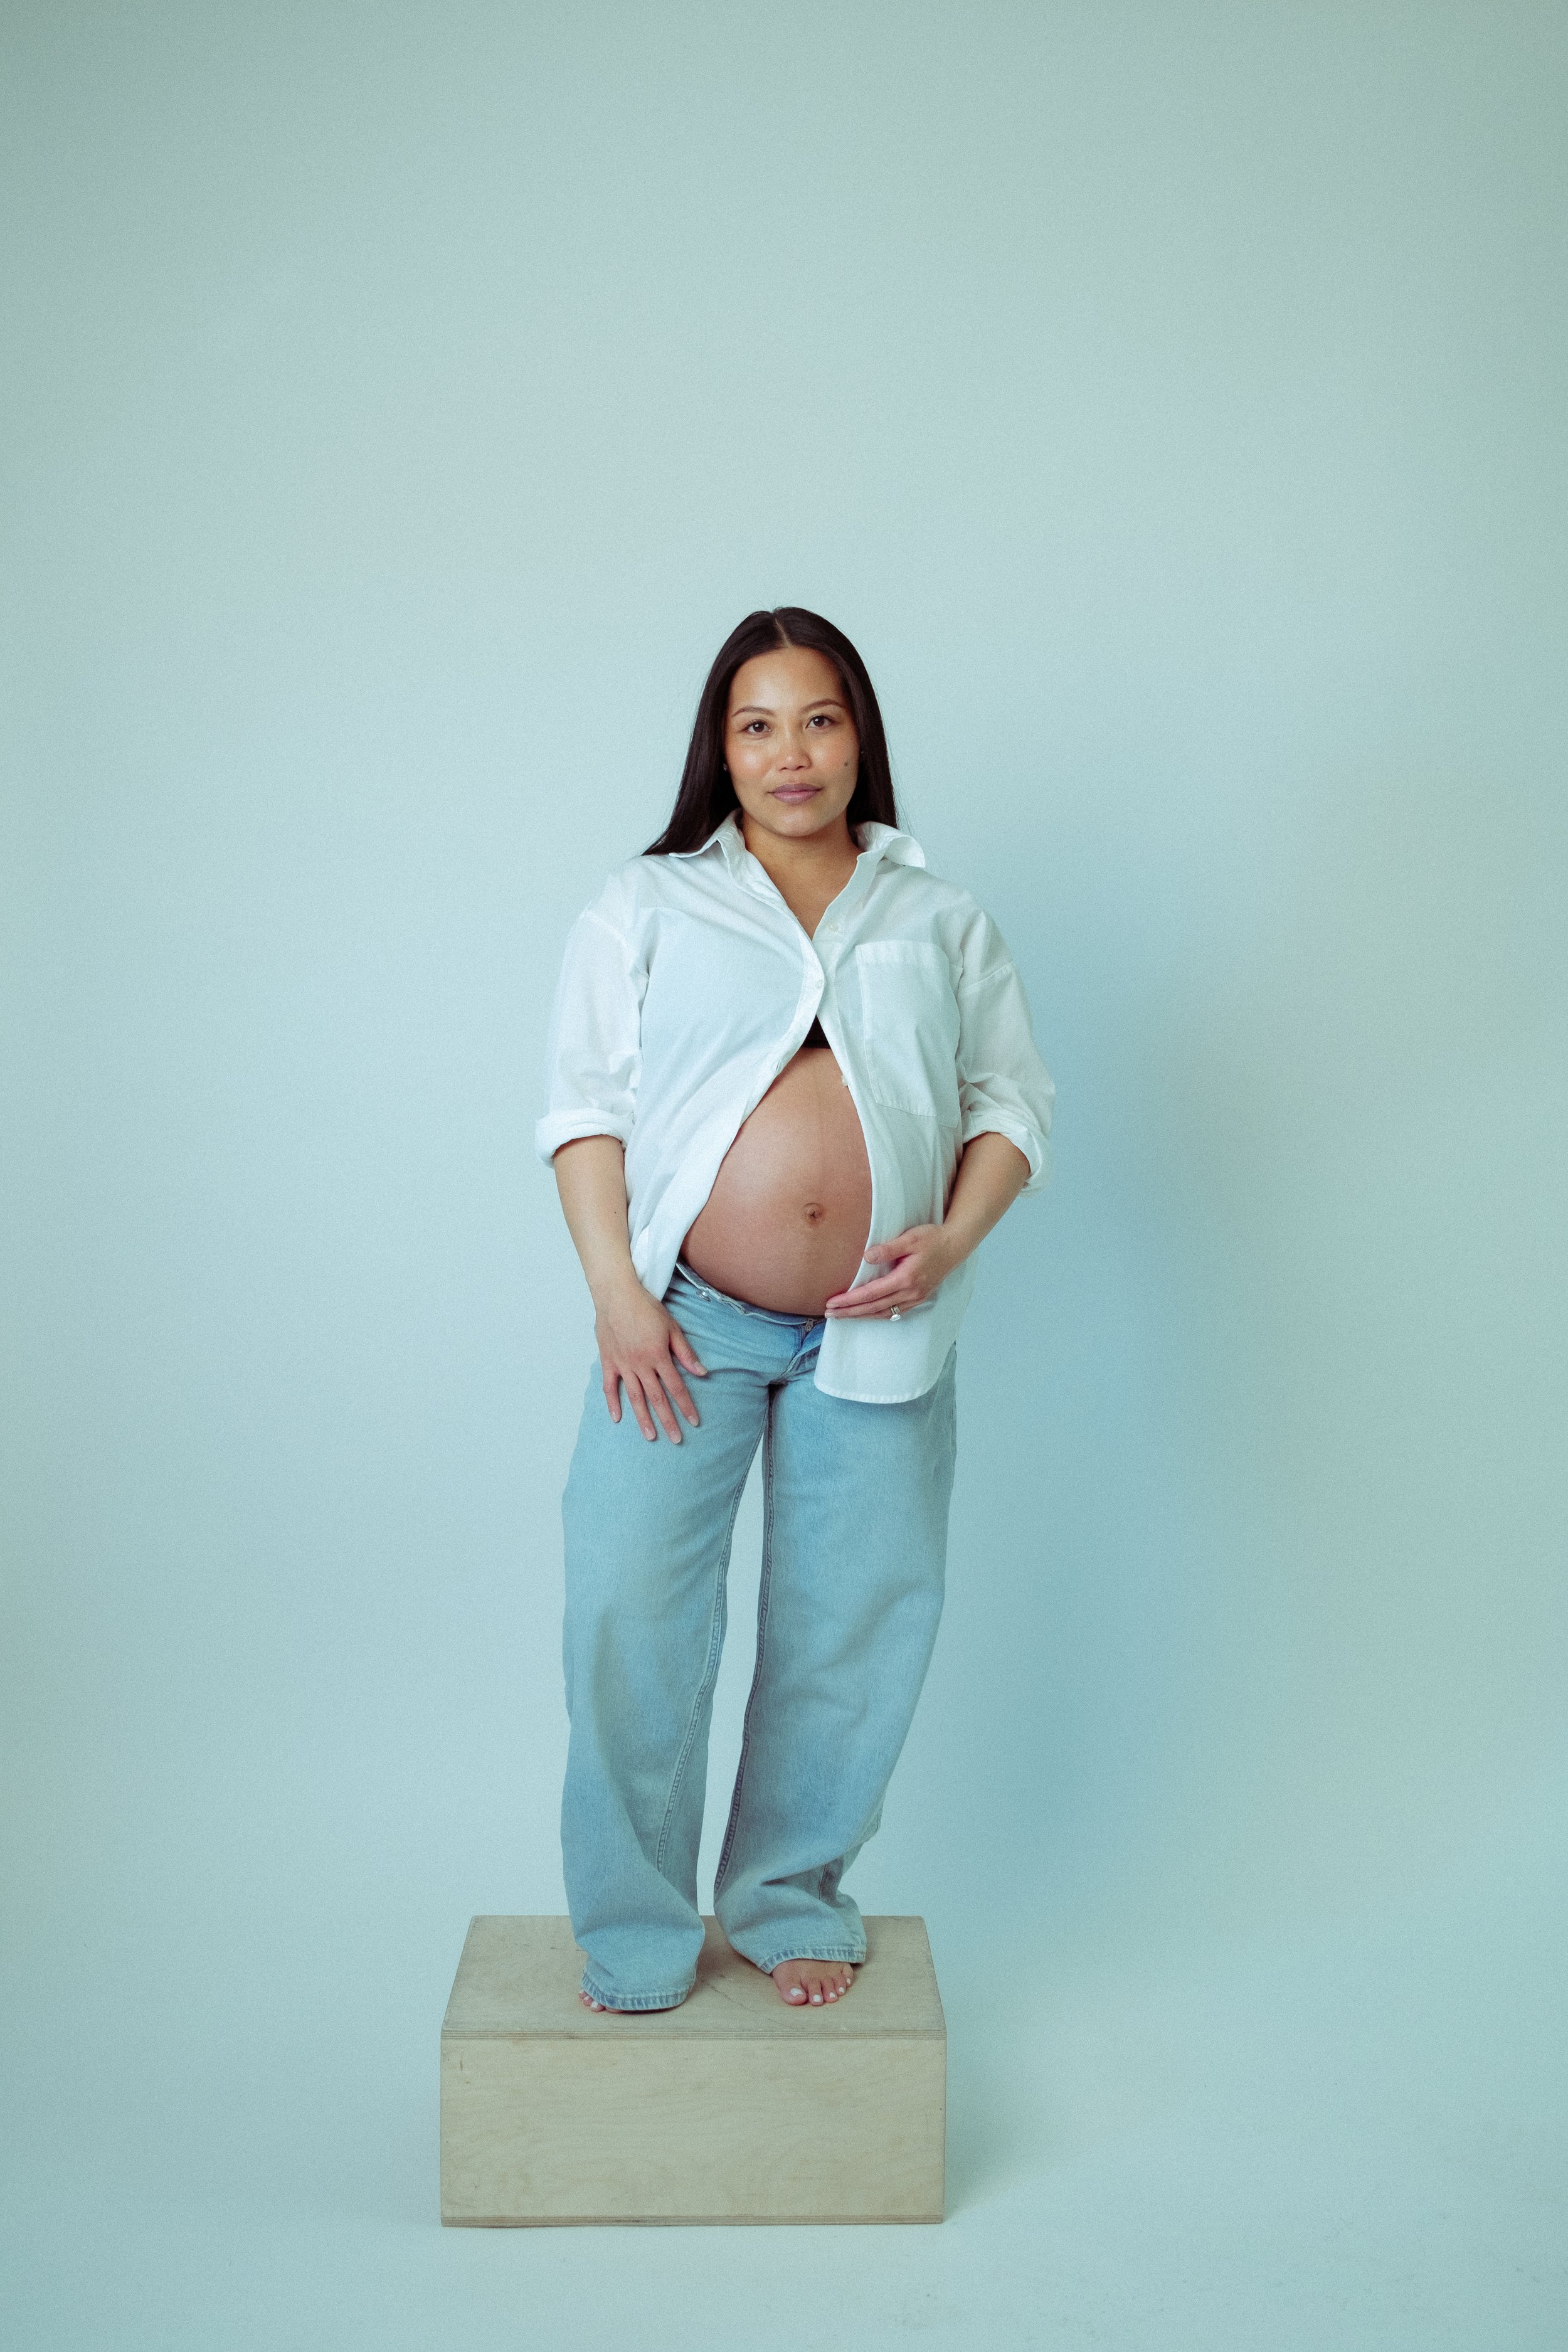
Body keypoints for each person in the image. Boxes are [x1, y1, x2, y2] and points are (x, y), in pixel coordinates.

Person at [536, 607, 1054, 2015]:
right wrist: (618, 1296)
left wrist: (952, 1238)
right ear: (721, 748)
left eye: (818, 720)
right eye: (756, 726)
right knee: (630, 1616)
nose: (791, 754)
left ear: (858, 733)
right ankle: (634, 1928)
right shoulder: (647, 905)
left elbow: (1010, 1104)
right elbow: (584, 1110)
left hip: (880, 1327)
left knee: (851, 1628)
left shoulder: (938, 918)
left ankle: (787, 1897)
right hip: (682, 1326)